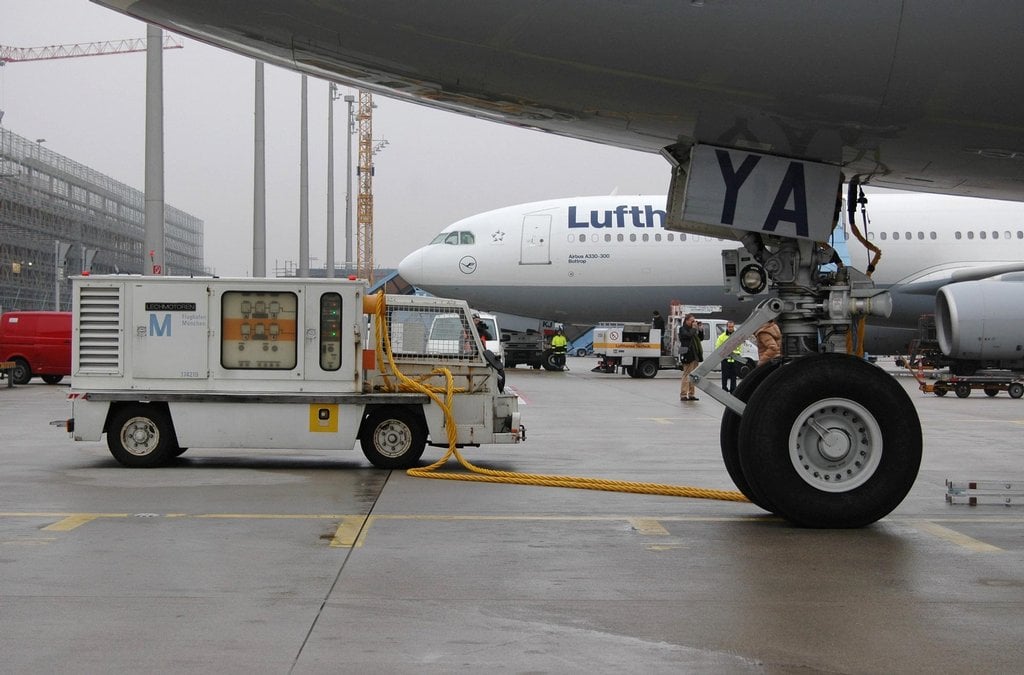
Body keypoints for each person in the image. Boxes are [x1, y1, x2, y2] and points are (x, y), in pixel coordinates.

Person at [677, 313, 704, 401]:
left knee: (693, 375)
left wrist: (700, 330)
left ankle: (691, 394)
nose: (693, 322)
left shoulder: (693, 330)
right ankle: (683, 395)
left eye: (694, 321)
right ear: (687, 321)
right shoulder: (682, 329)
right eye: (692, 321)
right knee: (686, 375)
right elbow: (688, 335)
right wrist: (694, 328)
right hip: (687, 354)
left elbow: (700, 338)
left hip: (695, 355)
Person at [715, 320, 742, 393]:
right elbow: (718, 348)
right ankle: (724, 389)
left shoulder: (737, 336)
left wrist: (734, 353)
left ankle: (733, 390)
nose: (731, 328)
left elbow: (739, 348)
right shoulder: (722, 337)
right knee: (724, 376)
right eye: (729, 327)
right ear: (726, 327)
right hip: (725, 359)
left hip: (734, 359)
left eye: (732, 327)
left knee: (734, 376)